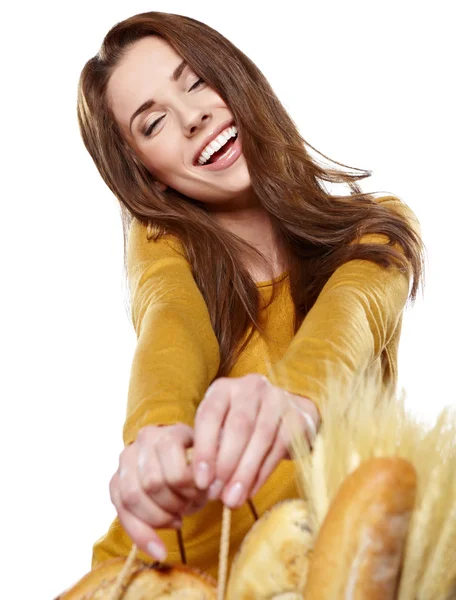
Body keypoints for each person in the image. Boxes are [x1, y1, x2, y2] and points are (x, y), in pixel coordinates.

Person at [76, 11, 425, 579]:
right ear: (147, 171)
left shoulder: (377, 230)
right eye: (153, 122)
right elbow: (170, 318)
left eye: (195, 81)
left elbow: (350, 316)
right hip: (167, 579)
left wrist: (295, 399)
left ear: (237, 78)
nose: (192, 118)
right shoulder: (162, 244)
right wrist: (157, 432)